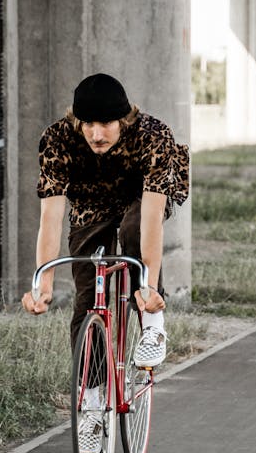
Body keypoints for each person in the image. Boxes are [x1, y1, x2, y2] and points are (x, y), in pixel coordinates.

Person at [21, 72, 189, 374]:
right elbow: (50, 216)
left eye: (106, 124)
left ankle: (153, 328)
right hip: (90, 204)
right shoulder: (57, 140)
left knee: (132, 229)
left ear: (123, 120)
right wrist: (42, 284)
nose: (96, 134)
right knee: (86, 297)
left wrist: (149, 287)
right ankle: (92, 398)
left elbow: (151, 220)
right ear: (78, 122)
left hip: (139, 199)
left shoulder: (153, 136)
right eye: (88, 124)